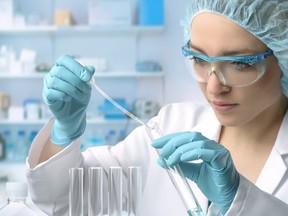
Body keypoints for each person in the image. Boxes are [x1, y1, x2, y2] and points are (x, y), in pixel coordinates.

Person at [26, 0, 288, 215]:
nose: (213, 87)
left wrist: (242, 202)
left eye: (239, 64)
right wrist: (65, 131)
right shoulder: (170, 125)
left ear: (283, 54)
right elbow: (64, 201)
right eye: (198, 58)